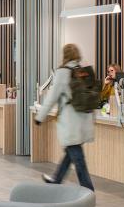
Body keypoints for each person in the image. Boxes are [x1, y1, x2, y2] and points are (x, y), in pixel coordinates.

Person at [35, 44, 95, 191]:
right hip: (84, 120)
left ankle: (88, 189)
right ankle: (56, 179)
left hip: (70, 122)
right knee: (71, 152)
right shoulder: (83, 71)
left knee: (77, 157)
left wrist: (40, 117)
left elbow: (51, 97)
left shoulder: (63, 72)